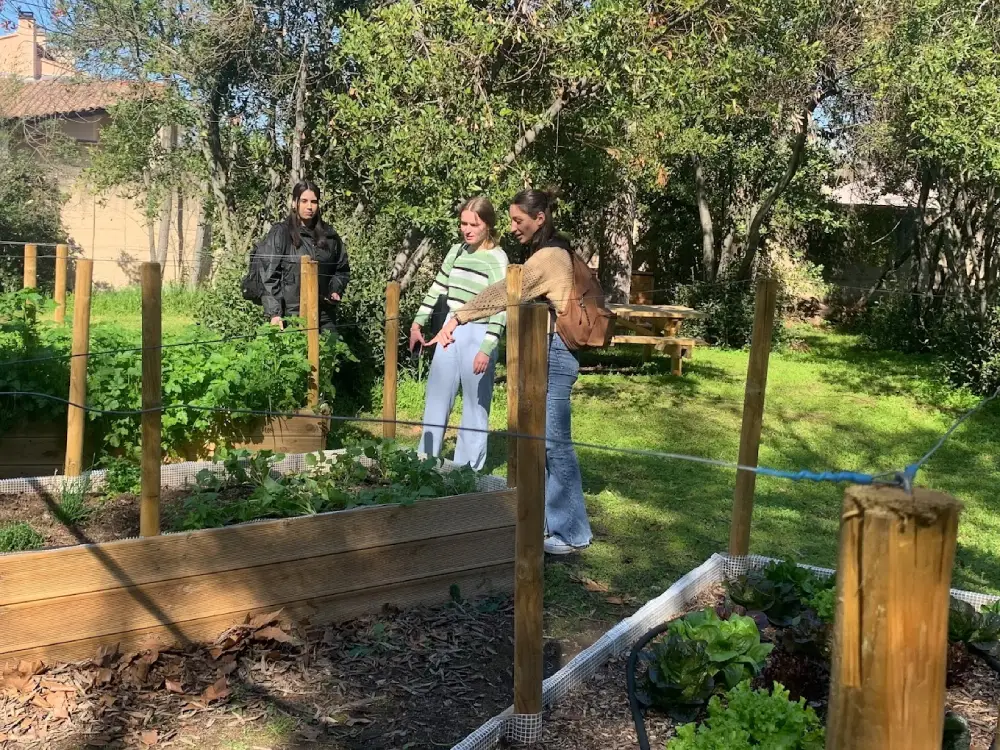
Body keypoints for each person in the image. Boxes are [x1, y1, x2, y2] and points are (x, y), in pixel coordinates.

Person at [428, 189, 592, 555]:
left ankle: (573, 533)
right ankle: (553, 524)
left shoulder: (549, 257)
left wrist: (460, 314)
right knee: (543, 442)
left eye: (519, 220)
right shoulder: (543, 252)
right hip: (543, 353)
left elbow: (505, 292)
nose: (513, 227)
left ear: (540, 219)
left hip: (556, 355)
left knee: (555, 444)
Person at [410, 196, 509, 471]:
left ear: (487, 225)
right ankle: (425, 463)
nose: (466, 229)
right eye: (463, 223)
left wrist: (486, 348)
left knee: (475, 407)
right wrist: (418, 323)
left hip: (480, 333)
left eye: (473, 224)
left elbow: (502, 307)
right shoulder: (456, 251)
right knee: (437, 397)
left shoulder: (497, 259)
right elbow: (438, 287)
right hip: (449, 330)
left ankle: (467, 472)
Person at [259, 180, 350, 332]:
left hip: (324, 314)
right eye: (304, 201)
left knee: (331, 352)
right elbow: (269, 276)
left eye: (314, 202)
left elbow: (342, 269)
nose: (309, 206)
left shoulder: (330, 236)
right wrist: (274, 314)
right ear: (295, 203)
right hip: (291, 316)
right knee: (297, 355)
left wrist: (334, 290)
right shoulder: (281, 233)